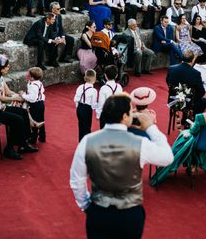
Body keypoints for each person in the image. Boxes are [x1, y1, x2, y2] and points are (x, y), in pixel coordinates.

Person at [69, 94, 173, 239]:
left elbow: (77, 180)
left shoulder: (87, 141)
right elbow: (167, 158)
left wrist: (86, 205)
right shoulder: (140, 143)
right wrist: (150, 127)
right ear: (125, 116)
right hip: (129, 215)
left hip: (99, 212)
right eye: (131, 112)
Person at [150, 88, 206, 186]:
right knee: (191, 137)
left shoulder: (201, 117)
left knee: (183, 136)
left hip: (200, 144)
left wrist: (191, 126)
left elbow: (193, 131)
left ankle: (175, 163)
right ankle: (194, 165)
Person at [166, 50, 206, 115]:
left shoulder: (171, 68)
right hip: (188, 102)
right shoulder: (196, 73)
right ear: (193, 60)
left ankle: (185, 117)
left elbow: (168, 82)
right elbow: (202, 91)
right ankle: (190, 119)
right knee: (204, 101)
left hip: (173, 99)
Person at [21, 67, 47, 143]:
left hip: (35, 105)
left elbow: (32, 98)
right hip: (40, 103)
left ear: (32, 77)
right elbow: (41, 91)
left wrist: (23, 95)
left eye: (28, 74)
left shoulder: (33, 86)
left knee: (35, 120)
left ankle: (33, 138)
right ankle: (42, 137)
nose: (26, 74)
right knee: (41, 119)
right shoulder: (37, 82)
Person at [74, 69, 98, 141]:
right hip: (87, 109)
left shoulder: (80, 87)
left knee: (81, 126)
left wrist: (78, 107)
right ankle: (85, 144)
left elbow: (76, 99)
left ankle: (81, 141)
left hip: (79, 108)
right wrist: (97, 108)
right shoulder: (94, 91)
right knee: (87, 127)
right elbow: (93, 104)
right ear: (94, 78)